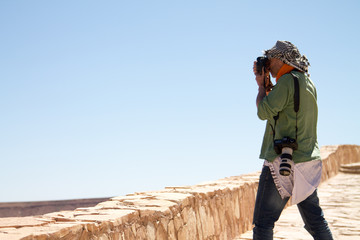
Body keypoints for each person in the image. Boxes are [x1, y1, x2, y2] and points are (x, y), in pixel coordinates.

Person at [252, 40, 333, 240]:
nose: (268, 64)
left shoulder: (287, 82)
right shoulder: (307, 82)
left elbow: (263, 111)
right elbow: (287, 110)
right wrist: (270, 86)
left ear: (280, 59)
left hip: (282, 162)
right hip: (307, 161)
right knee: (315, 222)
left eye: (270, 59)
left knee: (263, 223)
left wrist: (262, 87)